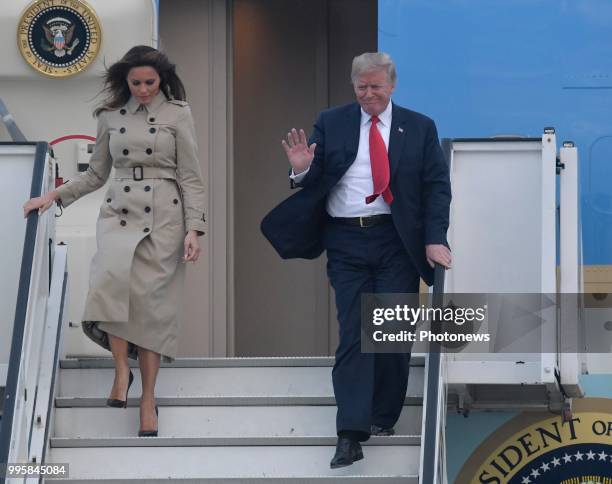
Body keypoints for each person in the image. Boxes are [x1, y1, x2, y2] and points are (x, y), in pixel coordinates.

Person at [261, 52, 452, 468]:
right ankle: (350, 432)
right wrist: (300, 171)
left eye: (376, 87)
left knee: (391, 334)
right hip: (346, 240)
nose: (369, 95)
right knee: (354, 334)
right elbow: (315, 177)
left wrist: (435, 239)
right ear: (354, 87)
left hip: (396, 241)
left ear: (392, 85)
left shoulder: (419, 127)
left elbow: (437, 186)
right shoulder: (333, 121)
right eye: (362, 87)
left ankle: (383, 414)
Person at [23, 45, 206, 438]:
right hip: (119, 208)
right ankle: (122, 371)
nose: (142, 89)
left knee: (153, 307)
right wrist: (53, 197)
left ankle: (148, 399)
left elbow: (191, 175)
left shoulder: (178, 114)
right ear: (125, 81)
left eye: (149, 82)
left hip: (166, 213)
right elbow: (95, 174)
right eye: (136, 82)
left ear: (162, 80)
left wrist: (195, 228)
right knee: (110, 285)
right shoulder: (109, 117)